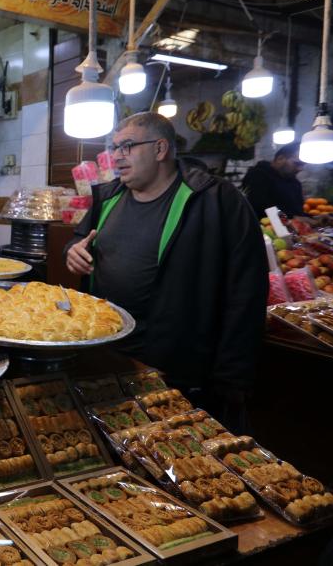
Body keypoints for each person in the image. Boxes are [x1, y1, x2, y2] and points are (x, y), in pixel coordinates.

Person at [65, 112, 267, 430]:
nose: (117, 156)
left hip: (176, 368)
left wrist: (233, 376)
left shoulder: (214, 200)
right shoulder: (108, 196)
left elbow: (247, 291)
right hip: (108, 353)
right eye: (114, 148)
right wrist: (73, 251)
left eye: (127, 146)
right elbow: (79, 239)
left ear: (160, 149)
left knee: (171, 449)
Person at [241, 142, 306, 218]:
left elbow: (298, 212)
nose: (300, 169)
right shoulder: (257, 175)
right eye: (297, 163)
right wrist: (292, 217)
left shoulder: (295, 183)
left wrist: (311, 217)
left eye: (303, 165)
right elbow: (259, 207)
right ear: (280, 159)